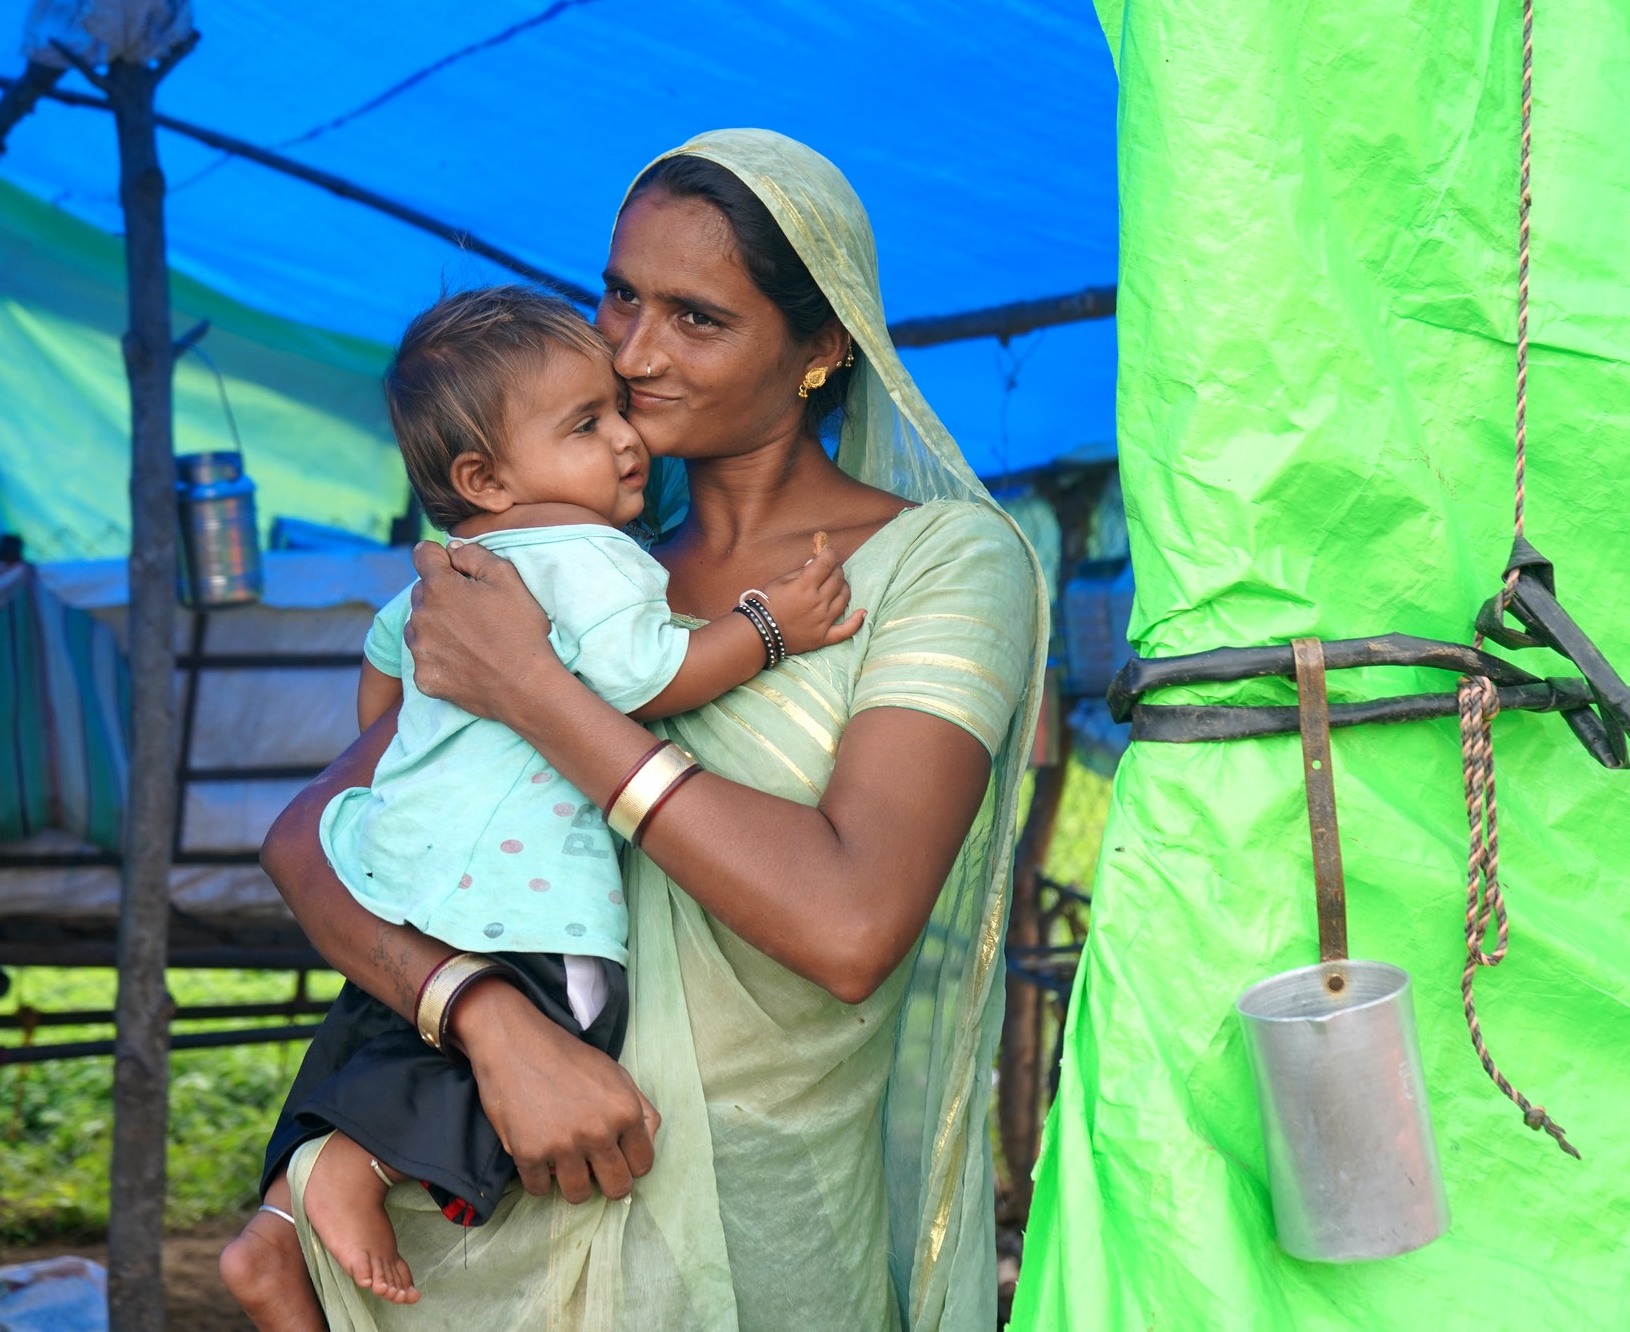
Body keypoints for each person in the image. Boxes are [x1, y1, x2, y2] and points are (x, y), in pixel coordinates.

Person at [219, 129, 1048, 1331]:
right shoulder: (560, 566)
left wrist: (538, 694)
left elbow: (849, 924)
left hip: (758, 1240)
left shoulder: (938, 563)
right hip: (488, 1232)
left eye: (696, 318)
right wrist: (489, 1020)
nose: (634, 351)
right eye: (619, 295)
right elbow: (311, 839)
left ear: (821, 348)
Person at [230, 282, 863, 1314]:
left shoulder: (447, 573)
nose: (627, 438)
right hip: (530, 900)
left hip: (400, 876)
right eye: (587, 424)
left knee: (383, 1025)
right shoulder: (591, 555)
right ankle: (357, 1164)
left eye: (615, 412)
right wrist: (767, 627)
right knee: (574, 1027)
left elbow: (383, 682)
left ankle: (278, 1226)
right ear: (481, 476)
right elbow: (645, 678)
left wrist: (426, 767)